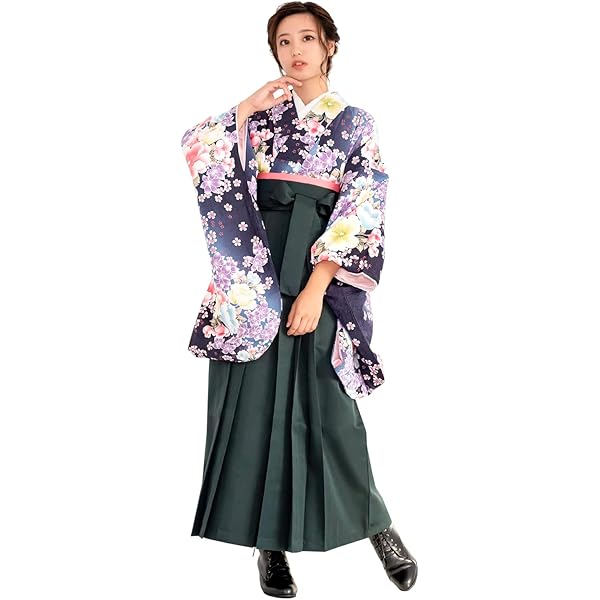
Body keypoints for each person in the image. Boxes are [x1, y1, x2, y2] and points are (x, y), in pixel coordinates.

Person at [180, 2, 418, 596]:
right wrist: (244, 109)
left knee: (332, 414)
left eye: (307, 38)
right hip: (253, 281)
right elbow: (199, 149)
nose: (295, 51)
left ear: (330, 44)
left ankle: (378, 526)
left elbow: (362, 207)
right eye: (284, 41)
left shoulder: (355, 123)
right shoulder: (259, 118)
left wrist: (316, 288)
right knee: (254, 416)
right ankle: (270, 548)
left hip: (319, 277)